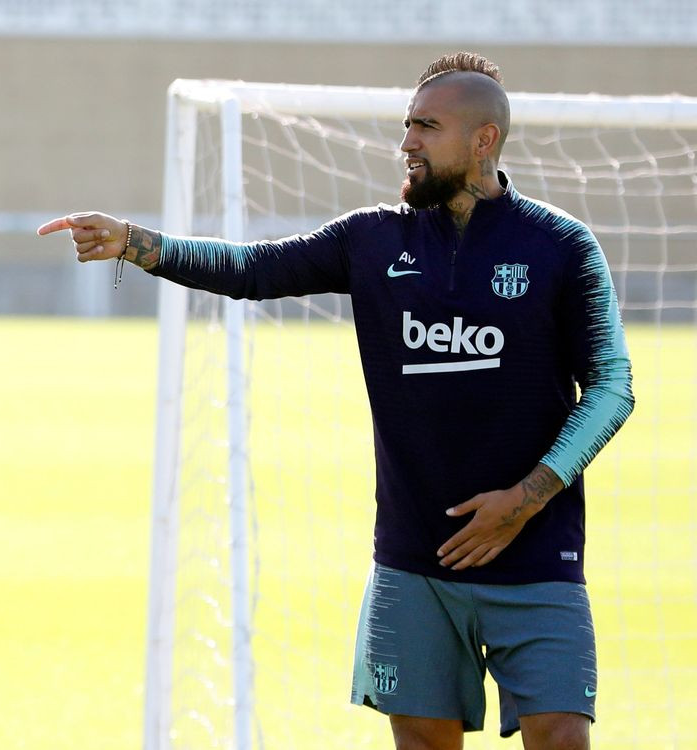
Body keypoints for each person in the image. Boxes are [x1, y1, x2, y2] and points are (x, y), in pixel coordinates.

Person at [39, 52, 633, 750]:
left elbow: (612, 387)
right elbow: (254, 270)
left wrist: (526, 498)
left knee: (563, 738)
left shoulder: (561, 246)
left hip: (536, 558)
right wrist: (139, 245)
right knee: (420, 742)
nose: (405, 143)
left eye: (425, 127)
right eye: (406, 126)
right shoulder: (372, 239)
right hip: (414, 563)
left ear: (483, 141)